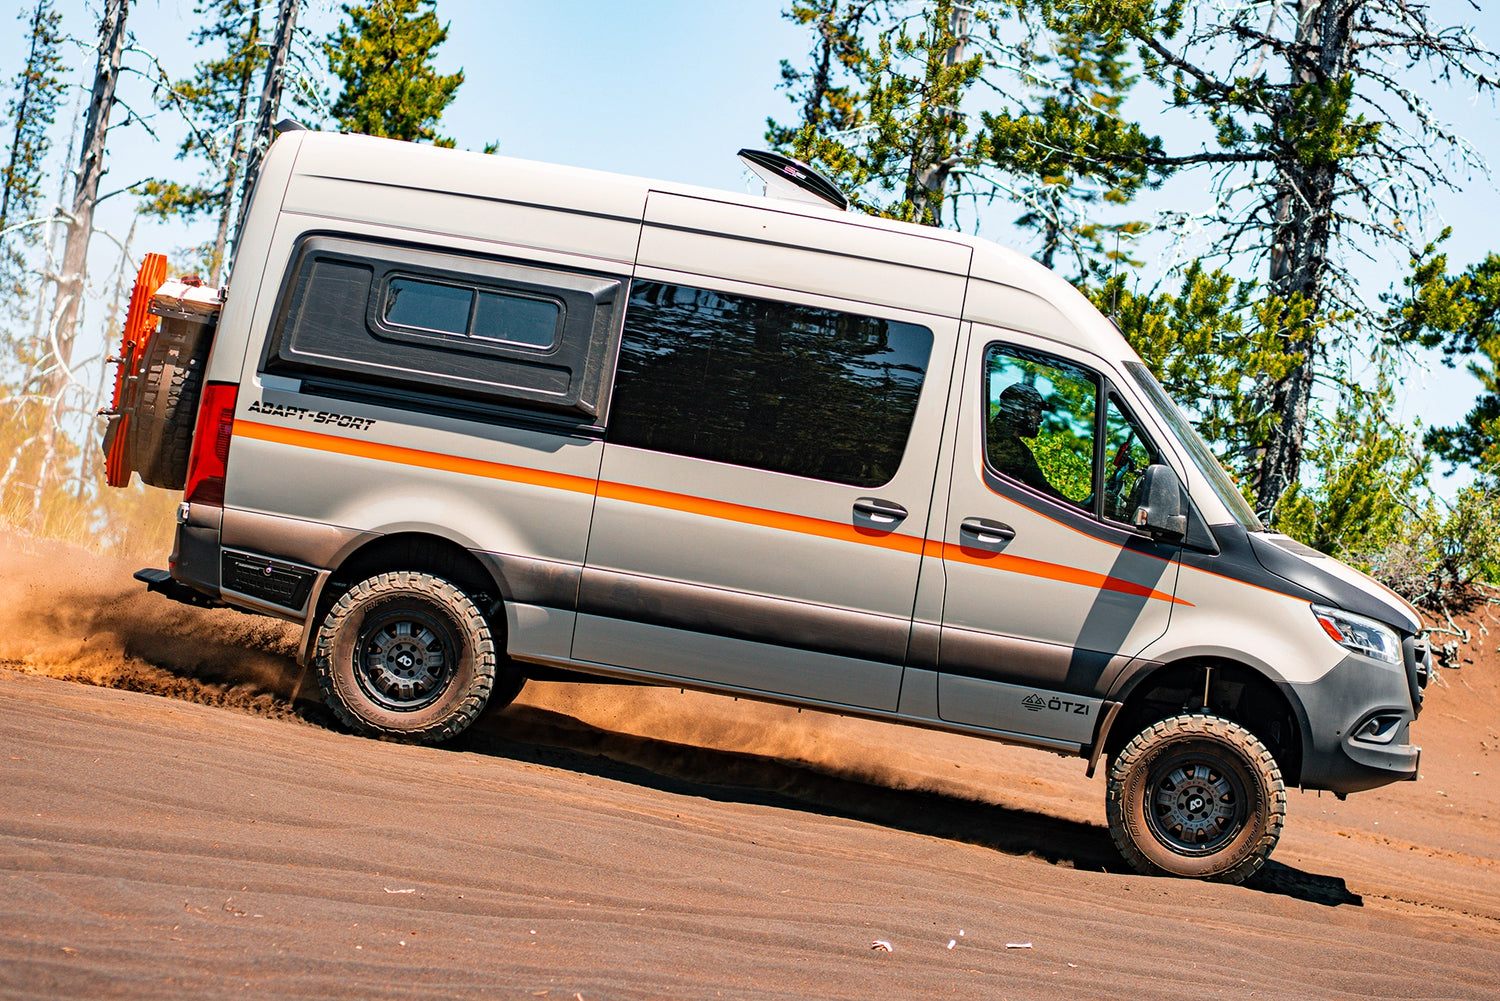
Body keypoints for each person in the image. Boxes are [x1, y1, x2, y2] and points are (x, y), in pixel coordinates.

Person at [986, 381, 1065, 499]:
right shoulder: (1014, 450)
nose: (1040, 418)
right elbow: (1044, 491)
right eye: (1036, 411)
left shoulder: (987, 433)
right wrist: (1083, 507)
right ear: (1018, 411)